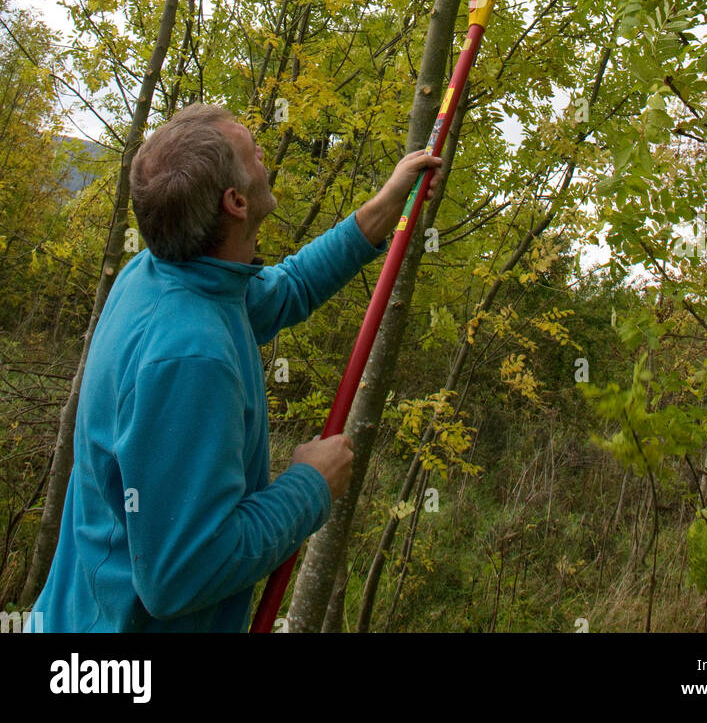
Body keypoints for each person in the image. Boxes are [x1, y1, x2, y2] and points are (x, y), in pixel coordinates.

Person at [30, 102, 443, 633]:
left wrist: (386, 205)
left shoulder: (164, 273)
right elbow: (178, 577)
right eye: (253, 149)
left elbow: (288, 289)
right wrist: (309, 485)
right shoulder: (189, 358)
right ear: (236, 201)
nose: (264, 152)